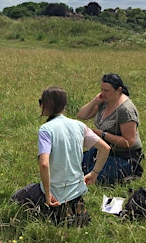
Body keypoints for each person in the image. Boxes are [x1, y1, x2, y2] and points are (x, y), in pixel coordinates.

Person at [11, 86, 110, 227]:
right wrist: (94, 173)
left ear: (46, 104)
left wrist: (47, 193)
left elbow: (44, 164)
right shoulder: (79, 126)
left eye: (41, 102)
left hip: (56, 191)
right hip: (77, 189)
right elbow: (105, 148)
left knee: (15, 199)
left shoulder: (46, 129)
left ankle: (54, 212)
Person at [77, 73, 144, 185]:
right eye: (101, 90)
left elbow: (129, 142)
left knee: (93, 178)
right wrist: (95, 101)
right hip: (103, 150)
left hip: (122, 156)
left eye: (106, 91)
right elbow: (82, 115)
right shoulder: (104, 102)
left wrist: (102, 134)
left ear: (119, 90)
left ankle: (130, 173)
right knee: (76, 166)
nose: (103, 93)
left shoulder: (125, 110)